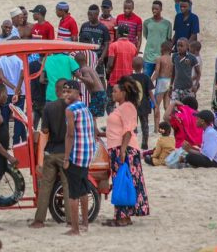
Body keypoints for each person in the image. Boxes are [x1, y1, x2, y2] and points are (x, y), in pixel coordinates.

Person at [102, 76, 149, 227]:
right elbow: (117, 129)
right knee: (121, 182)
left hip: (125, 149)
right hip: (117, 147)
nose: (112, 94)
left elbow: (128, 131)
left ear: (123, 93)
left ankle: (123, 216)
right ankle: (122, 216)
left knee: (124, 182)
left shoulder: (128, 106)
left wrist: (122, 151)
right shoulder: (121, 107)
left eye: (115, 91)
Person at [30, 79, 73, 228]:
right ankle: (70, 220)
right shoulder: (72, 107)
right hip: (66, 152)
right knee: (67, 186)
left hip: (51, 152)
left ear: (56, 90)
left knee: (45, 187)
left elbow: (45, 131)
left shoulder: (49, 107)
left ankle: (39, 220)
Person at [63, 80, 97, 236]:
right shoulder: (85, 107)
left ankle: (75, 229)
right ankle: (85, 223)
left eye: (69, 91)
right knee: (84, 189)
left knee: (73, 193)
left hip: (76, 155)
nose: (66, 94)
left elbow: (70, 135)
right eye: (64, 91)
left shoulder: (70, 110)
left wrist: (65, 157)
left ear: (78, 92)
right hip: (88, 153)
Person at [143, 0, 172, 77]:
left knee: (161, 82)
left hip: (161, 56)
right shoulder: (147, 22)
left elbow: (169, 40)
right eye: (153, 8)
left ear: (161, 9)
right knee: (146, 80)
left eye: (156, 9)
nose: (154, 10)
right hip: (148, 57)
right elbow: (146, 36)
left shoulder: (167, 24)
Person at [131, 57, 154, 149]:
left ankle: (133, 143)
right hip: (144, 105)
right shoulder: (146, 77)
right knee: (145, 125)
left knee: (132, 126)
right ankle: (145, 144)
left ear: (132, 66)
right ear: (143, 66)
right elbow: (150, 92)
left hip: (132, 106)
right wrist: (154, 103)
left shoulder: (129, 78)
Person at [152, 41, 173, 133]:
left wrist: (150, 81)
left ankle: (156, 128)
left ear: (163, 49)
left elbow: (157, 72)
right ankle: (168, 127)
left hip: (161, 81)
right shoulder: (172, 59)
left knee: (156, 105)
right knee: (167, 106)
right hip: (169, 81)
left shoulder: (159, 58)